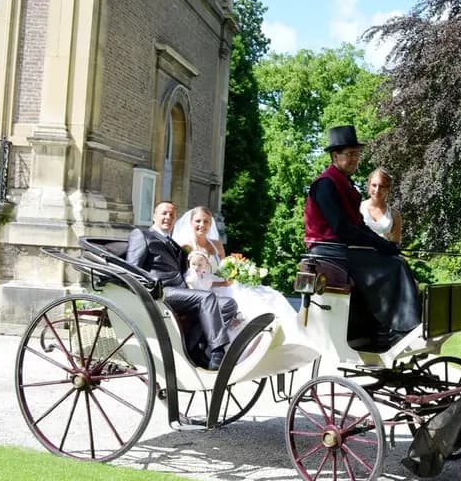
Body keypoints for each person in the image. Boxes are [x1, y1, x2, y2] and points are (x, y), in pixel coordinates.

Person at [304, 125, 421, 349]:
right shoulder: (326, 184)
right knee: (394, 266)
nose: (355, 159)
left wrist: (385, 245)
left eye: (357, 154)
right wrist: (379, 244)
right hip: (328, 251)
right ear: (335, 156)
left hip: (342, 249)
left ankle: (389, 328)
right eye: (350, 154)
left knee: (395, 260)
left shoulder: (345, 185)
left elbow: (358, 225)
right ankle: (395, 330)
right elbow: (342, 228)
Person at [127, 201, 238, 370]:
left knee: (228, 304)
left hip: (182, 290)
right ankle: (217, 352)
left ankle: (193, 347)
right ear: (154, 216)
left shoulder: (173, 243)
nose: (168, 218)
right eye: (164, 213)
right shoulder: (142, 235)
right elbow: (132, 269)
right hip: (161, 291)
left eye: (172, 215)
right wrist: (148, 289)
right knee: (207, 298)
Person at [172, 205, 299, 339]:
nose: (202, 225)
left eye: (206, 221)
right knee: (241, 307)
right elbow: (186, 275)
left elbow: (223, 267)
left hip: (224, 283)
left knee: (266, 296)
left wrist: (237, 272)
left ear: (210, 224)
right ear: (191, 222)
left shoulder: (217, 244)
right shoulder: (184, 246)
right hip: (204, 289)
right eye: (198, 221)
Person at [360, 167, 403, 244]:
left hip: (383, 255)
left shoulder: (394, 215)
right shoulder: (357, 208)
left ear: (388, 189)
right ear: (369, 186)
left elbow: (395, 246)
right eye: (374, 185)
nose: (377, 190)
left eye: (382, 186)